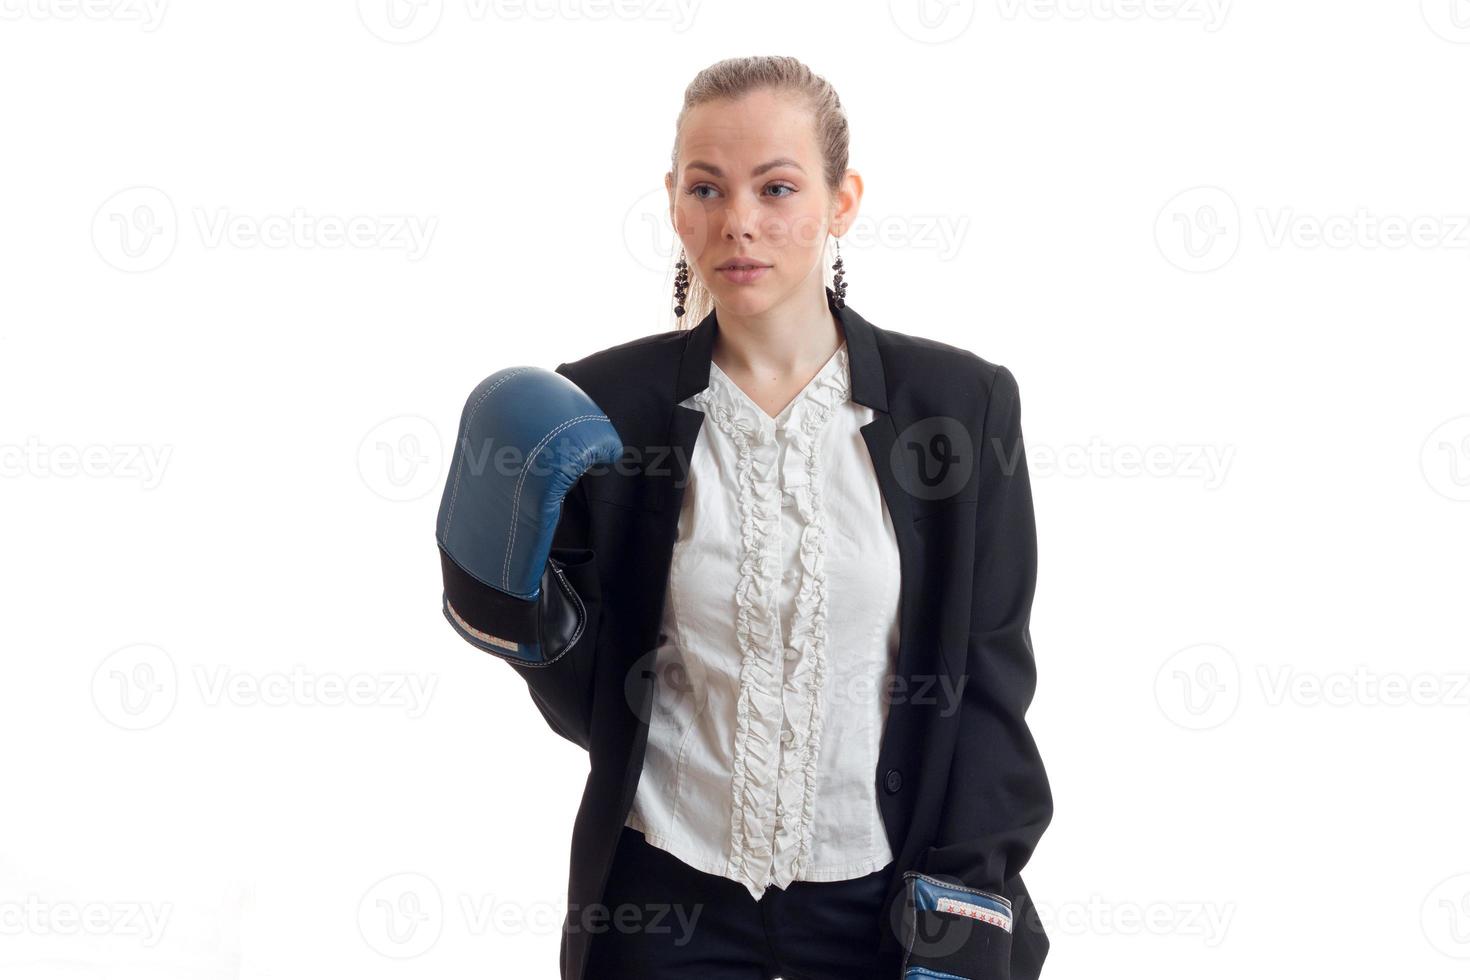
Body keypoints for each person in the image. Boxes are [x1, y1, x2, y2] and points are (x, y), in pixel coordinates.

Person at [435, 55, 1053, 980]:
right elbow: (597, 707)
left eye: (777, 187)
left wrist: (966, 916)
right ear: (675, 205)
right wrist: (511, 606)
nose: (740, 223)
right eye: (707, 188)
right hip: (662, 905)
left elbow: (991, 691)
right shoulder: (602, 408)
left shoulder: (960, 410)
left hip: (882, 908)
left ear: (842, 202)